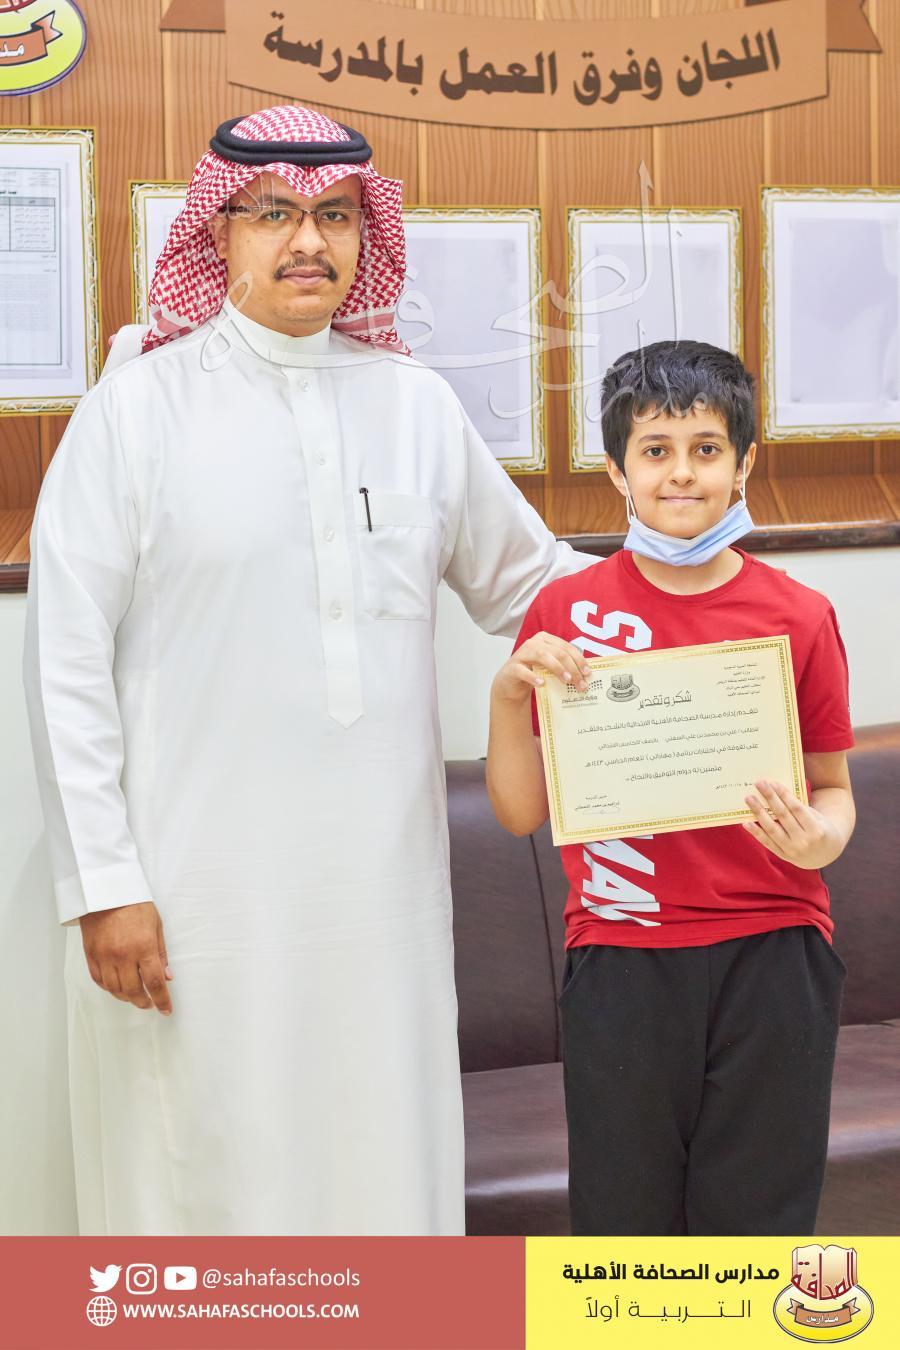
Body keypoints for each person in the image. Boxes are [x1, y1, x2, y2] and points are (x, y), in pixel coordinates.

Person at [22, 105, 593, 1236]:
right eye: (274, 213)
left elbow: (538, 588)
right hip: (190, 897)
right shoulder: (134, 412)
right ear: (218, 232)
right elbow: (62, 665)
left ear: (366, 236)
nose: (307, 242)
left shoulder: (415, 407)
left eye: (334, 216)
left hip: (380, 899)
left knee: (378, 1157)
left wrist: (708, 591)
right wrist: (104, 886)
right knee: (199, 1174)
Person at [486, 340, 856, 1235]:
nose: (681, 472)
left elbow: (833, 790)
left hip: (775, 951)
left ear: (744, 465)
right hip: (620, 951)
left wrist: (821, 839)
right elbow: (520, 812)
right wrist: (505, 695)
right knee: (624, 1223)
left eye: (706, 449)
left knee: (760, 1222)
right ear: (619, 470)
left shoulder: (799, 615)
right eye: (656, 450)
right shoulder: (566, 613)